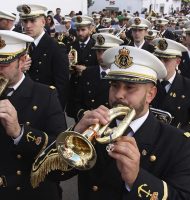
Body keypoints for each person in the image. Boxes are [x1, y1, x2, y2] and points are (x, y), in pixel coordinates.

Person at [33, 46, 190, 200]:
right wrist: (75, 132)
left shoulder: (178, 142)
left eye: (129, 88)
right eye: (114, 85)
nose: (119, 94)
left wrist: (137, 179)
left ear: (150, 94)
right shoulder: (94, 129)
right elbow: (49, 174)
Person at [0, 30, 67, 200]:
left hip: (27, 192)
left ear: (22, 61)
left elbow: (61, 153)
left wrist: (19, 133)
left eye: (3, 64)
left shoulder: (46, 95)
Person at [151, 38, 190, 157]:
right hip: (149, 144)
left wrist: (181, 133)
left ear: (178, 62)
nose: (161, 64)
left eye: (166, 60)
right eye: (158, 59)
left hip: (176, 147)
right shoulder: (148, 84)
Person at [17, 4, 69, 109]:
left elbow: (62, 86)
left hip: (44, 106)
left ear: (43, 22)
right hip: (22, 103)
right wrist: (19, 70)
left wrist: (55, 112)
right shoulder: (20, 46)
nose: (28, 25)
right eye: (25, 21)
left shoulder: (56, 48)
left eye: (32, 21)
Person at [67, 32, 123, 121]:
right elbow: (75, 102)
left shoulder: (121, 77)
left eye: (105, 52)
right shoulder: (88, 72)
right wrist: (83, 113)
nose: (101, 56)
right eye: (98, 51)